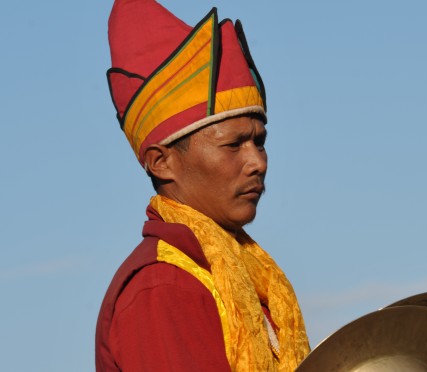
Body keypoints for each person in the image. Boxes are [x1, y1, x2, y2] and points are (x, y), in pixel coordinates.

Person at [95, 1, 310, 371]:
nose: (257, 162)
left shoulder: (252, 281)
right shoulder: (163, 286)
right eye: (234, 144)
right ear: (162, 162)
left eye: (259, 141)